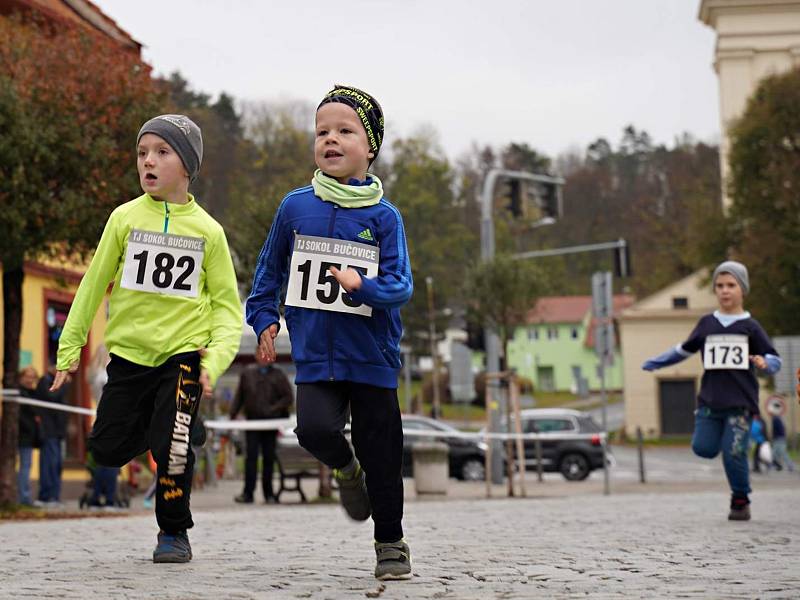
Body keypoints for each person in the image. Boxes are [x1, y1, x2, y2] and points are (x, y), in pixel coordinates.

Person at [50, 114, 242, 563]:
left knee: (171, 446)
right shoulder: (124, 218)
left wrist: (212, 364)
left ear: (188, 166)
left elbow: (228, 311)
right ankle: (177, 426)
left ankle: (173, 533)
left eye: (161, 152)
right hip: (130, 356)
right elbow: (92, 285)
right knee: (106, 449)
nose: (148, 162)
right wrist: (68, 349)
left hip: (184, 355)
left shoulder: (209, 232)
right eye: (142, 153)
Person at [247, 85, 413, 580]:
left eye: (345, 131)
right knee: (314, 429)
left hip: (372, 356)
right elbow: (267, 275)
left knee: (383, 453)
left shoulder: (385, 217)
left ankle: (391, 542)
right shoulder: (295, 207)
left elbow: (400, 284)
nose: (331, 140)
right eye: (322, 132)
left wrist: (364, 287)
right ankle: (345, 469)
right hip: (316, 352)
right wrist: (264, 319)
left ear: (371, 146)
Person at [642, 260, 780, 521]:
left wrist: (765, 363)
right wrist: (658, 361)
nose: (725, 291)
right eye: (719, 286)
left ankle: (740, 500)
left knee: (734, 452)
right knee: (703, 448)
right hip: (709, 403)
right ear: (715, 290)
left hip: (740, 404)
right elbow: (684, 349)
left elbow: (774, 359)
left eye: (731, 285)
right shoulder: (707, 324)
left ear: (743, 290)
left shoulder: (750, 327)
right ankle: (722, 441)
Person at [229, 352, 293, 504]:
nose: (264, 357)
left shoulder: (279, 375)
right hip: (252, 423)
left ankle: (269, 494)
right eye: (261, 354)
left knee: (268, 459)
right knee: (250, 458)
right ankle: (248, 494)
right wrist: (232, 415)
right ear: (256, 356)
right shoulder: (247, 374)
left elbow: (288, 397)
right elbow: (239, 396)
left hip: (271, 424)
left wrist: (274, 409)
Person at [36, 364, 69, 507]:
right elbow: (52, 397)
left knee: (57, 465)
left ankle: (54, 496)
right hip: (49, 431)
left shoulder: (58, 382)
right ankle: (46, 496)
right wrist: (65, 385)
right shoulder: (44, 381)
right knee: (49, 464)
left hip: (59, 432)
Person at [16, 366, 40, 507]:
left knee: (26, 466)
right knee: (24, 467)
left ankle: (24, 497)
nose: (30, 379)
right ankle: (23, 498)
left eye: (33, 376)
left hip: (28, 436)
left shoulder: (33, 393)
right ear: (21, 377)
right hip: (20, 435)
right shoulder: (19, 392)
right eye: (27, 376)